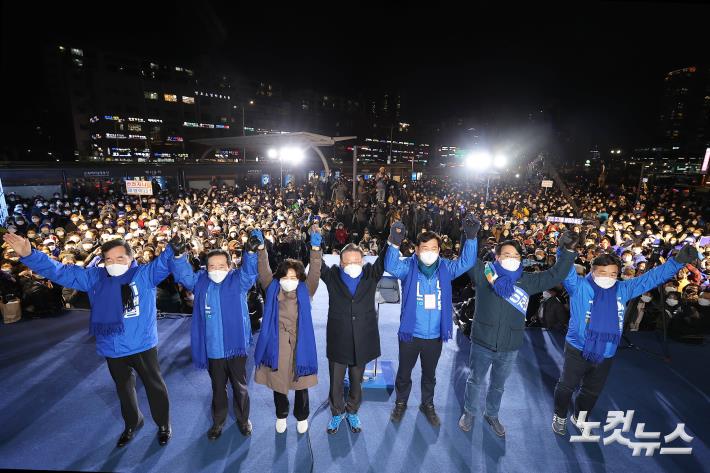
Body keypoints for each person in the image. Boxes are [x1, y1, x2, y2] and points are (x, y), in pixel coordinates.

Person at [3, 232, 178, 448]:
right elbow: (60, 272)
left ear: (131, 258)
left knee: (154, 387)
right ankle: (133, 423)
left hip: (141, 344)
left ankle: (163, 424)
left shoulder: (144, 274)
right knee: (124, 389)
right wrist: (30, 254)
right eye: (109, 260)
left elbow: (164, 262)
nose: (113, 264)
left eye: (120, 258)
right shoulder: (95, 277)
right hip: (112, 347)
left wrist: (173, 248)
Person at [551, 244, 699, 436]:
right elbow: (564, 268)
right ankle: (560, 415)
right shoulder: (579, 287)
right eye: (602, 272)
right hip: (578, 348)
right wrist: (566, 250)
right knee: (566, 386)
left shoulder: (623, 289)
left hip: (607, 351)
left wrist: (677, 262)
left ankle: (580, 417)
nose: (608, 278)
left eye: (613, 274)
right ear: (592, 271)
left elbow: (651, 278)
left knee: (592, 391)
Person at [459, 232, 577, 436]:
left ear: (521, 259)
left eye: (515, 255)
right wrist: (469, 238)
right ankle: (469, 412)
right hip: (482, 342)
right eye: (506, 254)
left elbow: (555, 275)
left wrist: (568, 252)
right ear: (497, 257)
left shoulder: (527, 281)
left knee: (498, 385)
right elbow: (468, 258)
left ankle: (492, 414)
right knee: (475, 380)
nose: (511, 258)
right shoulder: (484, 274)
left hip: (510, 345)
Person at [385, 215, 479, 426]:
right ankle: (401, 403)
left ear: (439, 250)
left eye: (434, 248)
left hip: (435, 334)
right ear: (417, 250)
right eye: (425, 248)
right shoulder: (408, 267)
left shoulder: (446, 268)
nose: (429, 252)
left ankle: (427, 404)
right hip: (410, 333)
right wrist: (394, 243)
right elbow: (391, 266)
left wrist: (471, 238)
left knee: (430, 375)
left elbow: (467, 262)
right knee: (404, 373)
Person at [169, 230, 262, 439]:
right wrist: (178, 257)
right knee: (218, 388)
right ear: (206, 268)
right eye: (212, 266)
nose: (216, 269)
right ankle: (218, 422)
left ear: (230, 266)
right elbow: (184, 276)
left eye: (221, 265)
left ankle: (243, 418)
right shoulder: (201, 282)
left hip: (236, 346)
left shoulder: (239, 281)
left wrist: (250, 253)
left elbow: (249, 271)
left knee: (240, 387)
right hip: (213, 348)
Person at [254, 224, 322, 434]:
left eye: (294, 278)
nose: (289, 281)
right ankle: (281, 414)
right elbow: (263, 269)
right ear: (279, 277)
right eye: (286, 277)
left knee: (301, 383)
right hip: (278, 342)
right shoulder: (271, 287)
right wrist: (261, 249)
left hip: (301, 341)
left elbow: (315, 272)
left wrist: (315, 251)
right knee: (278, 382)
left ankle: (302, 416)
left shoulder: (306, 288)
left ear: (300, 279)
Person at [320, 242, 387, 434]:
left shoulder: (371, 275)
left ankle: (352, 410)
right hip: (338, 338)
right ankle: (337, 412)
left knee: (357, 380)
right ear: (340, 262)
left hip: (362, 338)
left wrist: (392, 240)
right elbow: (318, 266)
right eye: (348, 261)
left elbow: (383, 259)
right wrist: (315, 249)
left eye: (356, 261)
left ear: (363, 261)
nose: (352, 264)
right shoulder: (332, 276)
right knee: (336, 380)